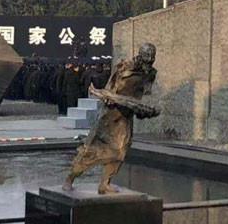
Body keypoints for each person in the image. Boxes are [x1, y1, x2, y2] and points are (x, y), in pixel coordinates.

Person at [62, 43, 160, 194]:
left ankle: (105, 183)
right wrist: (108, 97)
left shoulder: (150, 73)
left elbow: (145, 95)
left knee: (121, 150)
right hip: (110, 113)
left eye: (151, 61)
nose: (149, 64)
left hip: (126, 114)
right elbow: (110, 86)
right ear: (140, 57)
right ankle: (70, 178)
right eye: (146, 60)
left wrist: (147, 110)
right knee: (92, 149)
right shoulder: (124, 66)